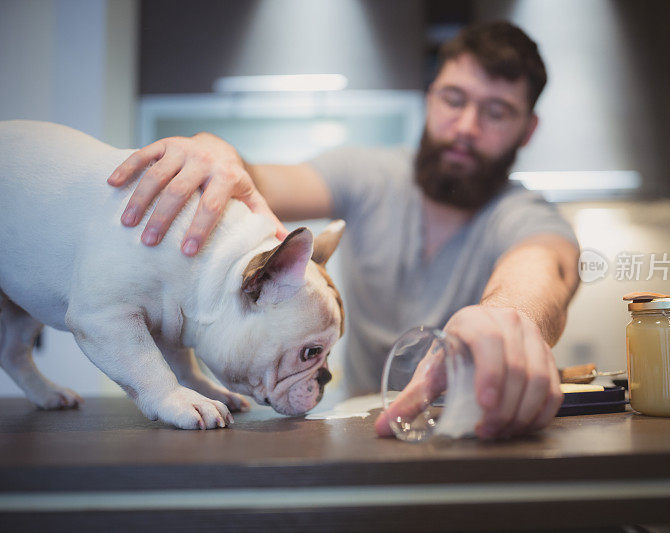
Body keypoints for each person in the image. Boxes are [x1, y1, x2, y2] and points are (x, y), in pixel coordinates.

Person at [106, 21, 580, 440]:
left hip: (470, 435)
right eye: (453, 100)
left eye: (496, 112)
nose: (466, 127)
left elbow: (544, 267)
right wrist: (216, 151)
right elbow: (259, 181)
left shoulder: (526, 213)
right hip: (366, 433)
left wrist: (508, 314)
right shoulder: (365, 173)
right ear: (431, 95)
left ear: (528, 129)